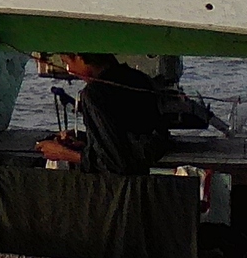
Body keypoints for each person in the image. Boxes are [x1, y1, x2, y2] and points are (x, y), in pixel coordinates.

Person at [35, 53, 172, 173]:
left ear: (80, 57)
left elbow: (117, 163)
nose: (69, 71)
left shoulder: (95, 94)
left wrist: (64, 153)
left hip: (114, 189)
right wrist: (87, 139)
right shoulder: (139, 79)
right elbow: (129, 139)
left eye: (68, 63)